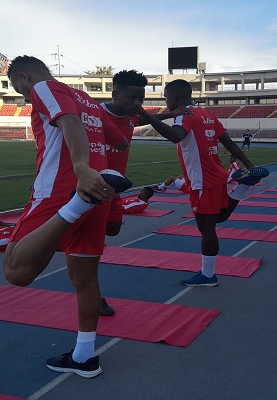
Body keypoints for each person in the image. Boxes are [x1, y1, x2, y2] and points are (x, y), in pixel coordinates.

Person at [3, 55, 129, 378]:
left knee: (15, 269)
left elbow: (69, 123)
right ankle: (85, 357)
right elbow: (121, 140)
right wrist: (98, 171)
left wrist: (82, 170)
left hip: (64, 191)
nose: (19, 93)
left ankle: (77, 205)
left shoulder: (43, 88)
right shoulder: (88, 100)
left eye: (17, 86)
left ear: (24, 78)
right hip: (99, 191)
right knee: (85, 280)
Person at [138, 79, 269, 287]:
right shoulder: (207, 114)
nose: (165, 101)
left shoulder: (183, 115)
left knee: (207, 229)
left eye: (165, 96)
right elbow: (227, 142)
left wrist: (148, 117)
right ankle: (243, 185)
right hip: (216, 175)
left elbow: (175, 136)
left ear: (175, 97)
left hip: (201, 180)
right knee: (219, 217)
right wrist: (250, 165)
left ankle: (208, 275)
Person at [98, 70, 188, 317]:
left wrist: (171, 114)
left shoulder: (129, 116)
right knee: (90, 247)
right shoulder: (94, 115)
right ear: (115, 94)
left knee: (113, 229)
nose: (137, 104)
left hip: (113, 191)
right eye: (131, 98)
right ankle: (93, 296)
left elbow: (140, 120)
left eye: (141, 98)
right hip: (93, 190)